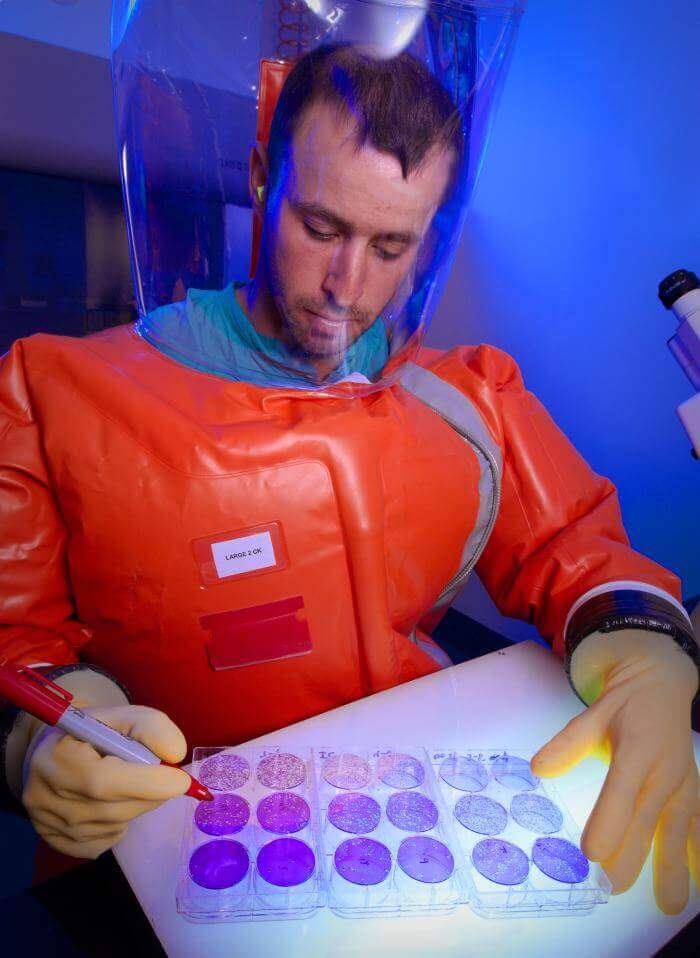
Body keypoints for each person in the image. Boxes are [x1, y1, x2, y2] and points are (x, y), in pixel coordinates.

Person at [0, 45, 698, 916]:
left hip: (408, 833)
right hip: (165, 850)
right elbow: (14, 640)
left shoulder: (468, 396)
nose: (345, 287)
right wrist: (42, 734)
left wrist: (647, 655)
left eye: (391, 244)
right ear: (261, 179)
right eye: (320, 228)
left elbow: (574, 546)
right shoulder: (55, 392)